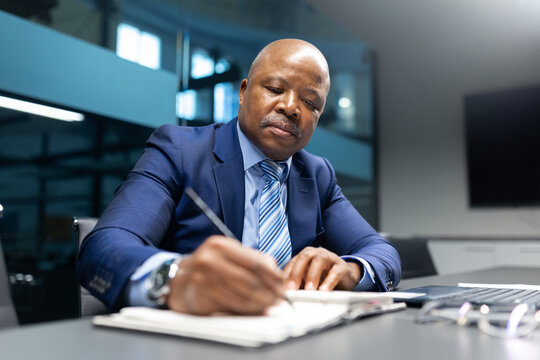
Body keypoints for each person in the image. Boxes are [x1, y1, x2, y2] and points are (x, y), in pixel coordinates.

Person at [76, 39, 401, 315]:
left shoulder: (317, 175)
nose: (291, 107)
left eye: (310, 102)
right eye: (275, 88)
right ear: (244, 92)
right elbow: (103, 248)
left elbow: (380, 251)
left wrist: (350, 270)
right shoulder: (180, 151)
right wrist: (175, 277)